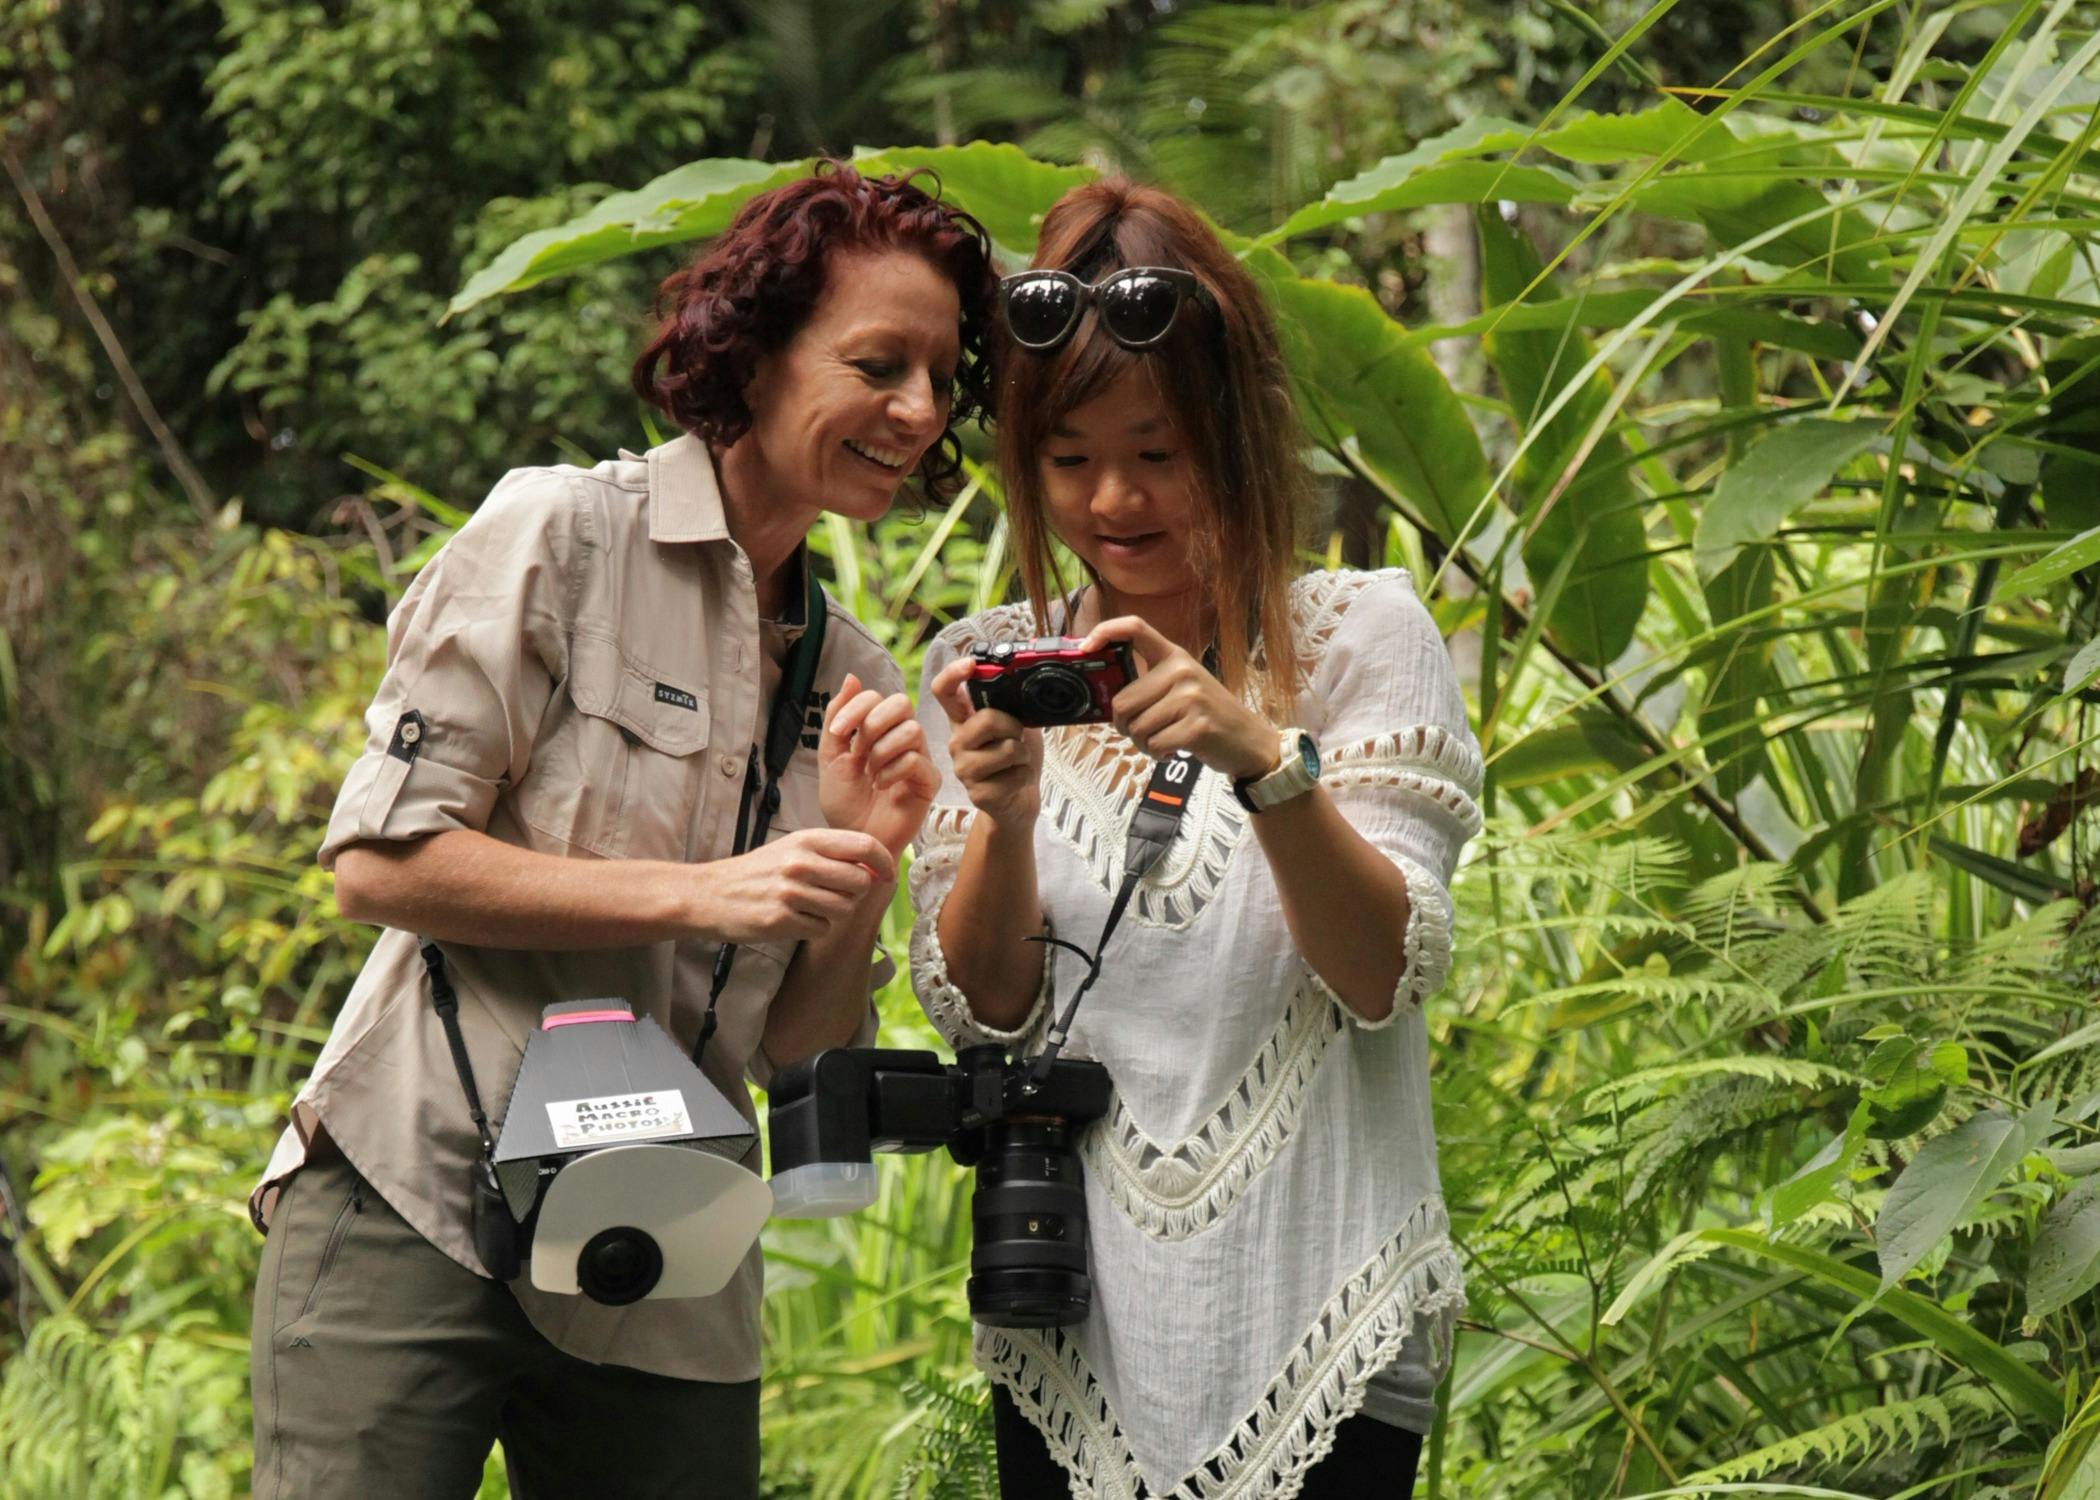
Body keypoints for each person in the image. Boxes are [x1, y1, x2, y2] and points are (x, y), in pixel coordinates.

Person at [247, 163, 997, 1499]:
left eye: (941, 377)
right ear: (752, 352)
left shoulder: (861, 685)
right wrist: (700, 894)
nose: (921, 410)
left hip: (666, 1251)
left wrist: (868, 868)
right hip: (419, 1197)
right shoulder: (562, 537)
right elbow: (381, 863)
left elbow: (797, 1055)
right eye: (880, 363)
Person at [909, 179, 1482, 1498]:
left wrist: (1261, 761)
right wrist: (999, 818)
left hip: (1324, 1302)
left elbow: (1382, 973)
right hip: (1074, 1314)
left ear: (1232, 432)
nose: (1114, 498)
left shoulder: (1359, 639)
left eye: (1158, 452)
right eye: (1069, 460)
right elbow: (992, 1006)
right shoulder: (988, 668)